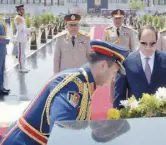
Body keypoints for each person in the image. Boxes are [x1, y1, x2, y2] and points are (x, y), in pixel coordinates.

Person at [0, 40, 129, 145]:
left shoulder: (84, 83)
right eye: (114, 72)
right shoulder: (72, 85)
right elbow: (61, 134)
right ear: (103, 66)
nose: (113, 78)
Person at [114, 25, 166, 108]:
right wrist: (119, 119)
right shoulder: (126, 61)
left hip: (162, 116)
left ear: (157, 41)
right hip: (135, 117)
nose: (148, 48)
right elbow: (119, 94)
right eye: (144, 43)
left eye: (152, 44)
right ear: (138, 40)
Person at [14, 5, 34, 73]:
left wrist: (29, 30)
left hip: (23, 38)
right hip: (20, 38)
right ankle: (20, 67)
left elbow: (23, 29)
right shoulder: (18, 18)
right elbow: (21, 29)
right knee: (20, 54)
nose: (23, 10)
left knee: (23, 53)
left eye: (23, 9)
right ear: (19, 10)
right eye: (22, 9)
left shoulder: (21, 18)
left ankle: (23, 66)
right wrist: (29, 30)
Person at [0, 21, 10, 96]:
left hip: (3, 50)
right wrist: (6, 41)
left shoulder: (1, 23)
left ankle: (2, 87)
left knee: (2, 70)